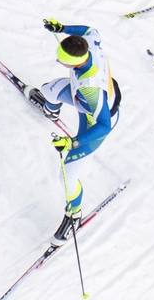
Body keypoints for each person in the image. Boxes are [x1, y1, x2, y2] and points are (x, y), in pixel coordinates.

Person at [24, 21, 121, 246]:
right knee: (50, 90)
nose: (58, 61)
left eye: (61, 60)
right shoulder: (90, 44)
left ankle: (74, 214)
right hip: (82, 100)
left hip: (94, 120)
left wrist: (72, 142)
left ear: (74, 62)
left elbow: (104, 125)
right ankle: (50, 111)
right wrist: (62, 29)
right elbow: (88, 30)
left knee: (67, 174)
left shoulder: (91, 87)